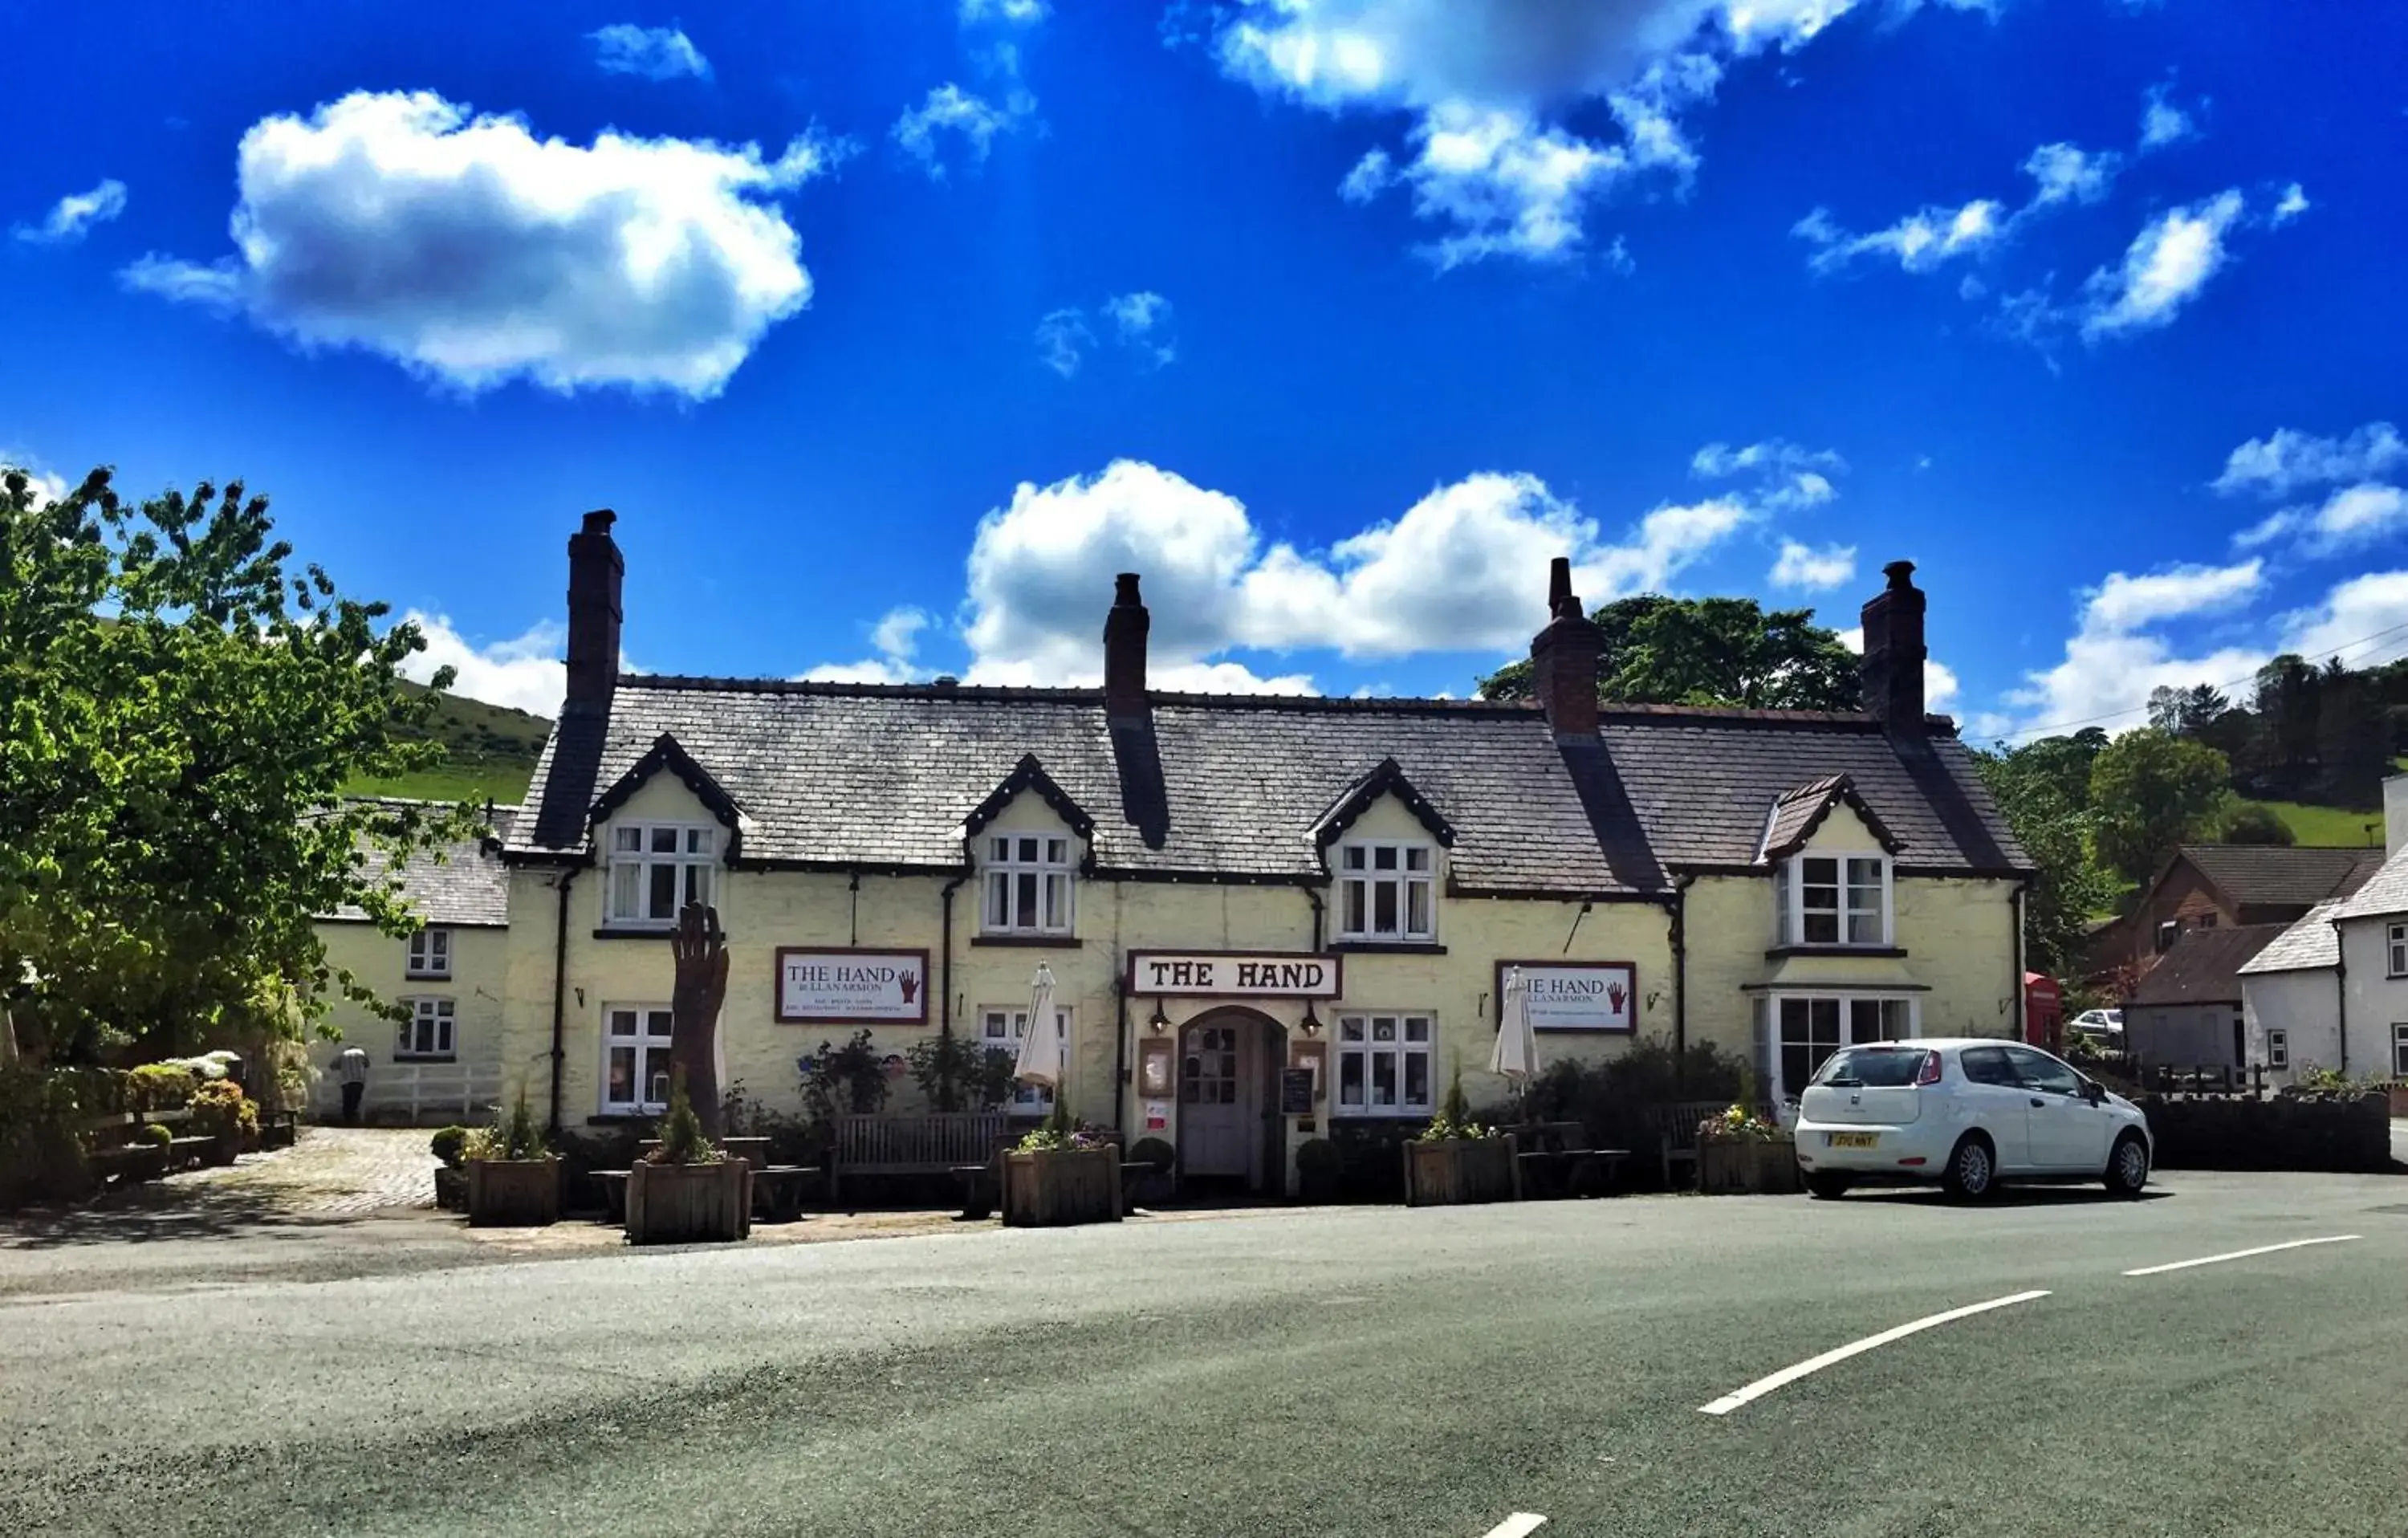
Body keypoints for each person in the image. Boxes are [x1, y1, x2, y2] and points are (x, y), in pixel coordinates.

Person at [336, 1045, 370, 1125]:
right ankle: (353, 1118)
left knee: (347, 1101)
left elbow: (334, 1065)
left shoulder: (344, 1054)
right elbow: (367, 1064)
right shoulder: (361, 1053)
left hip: (346, 1081)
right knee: (356, 1100)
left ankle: (347, 1119)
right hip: (358, 1080)